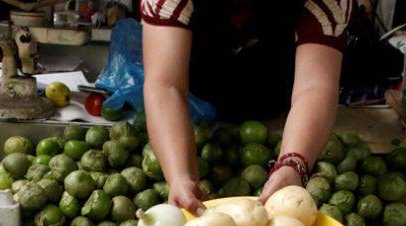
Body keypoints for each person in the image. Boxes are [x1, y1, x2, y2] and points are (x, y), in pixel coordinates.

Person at [139, 0, 352, 211]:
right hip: (199, 97)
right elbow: (166, 85)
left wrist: (293, 164)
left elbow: (314, 86)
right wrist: (179, 176)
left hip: (278, 93)